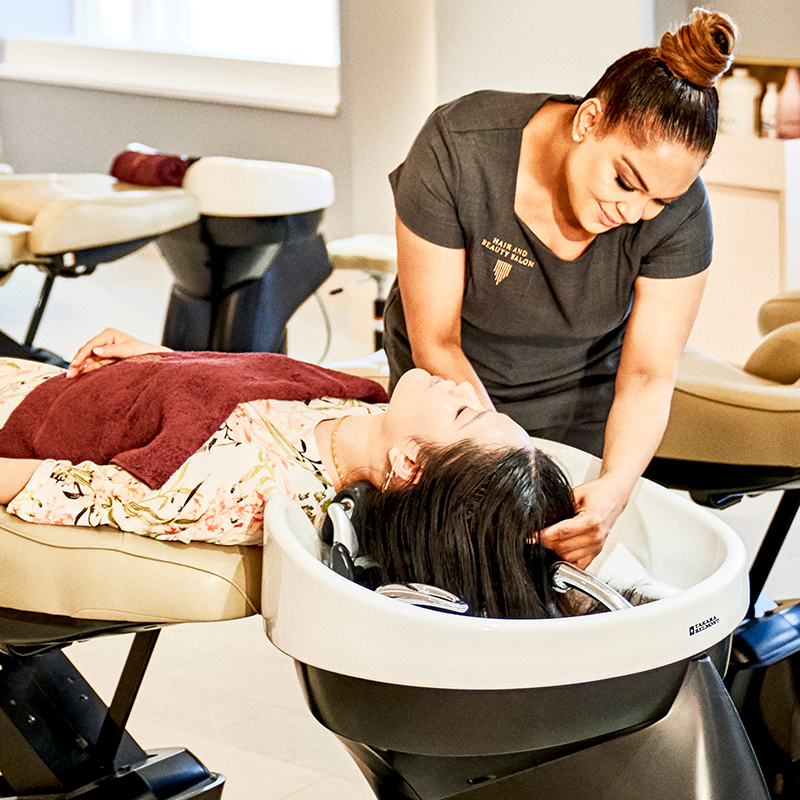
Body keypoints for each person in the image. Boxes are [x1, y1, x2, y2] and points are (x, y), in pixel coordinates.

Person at [384, 8, 737, 569]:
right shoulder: (459, 148)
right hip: (454, 403)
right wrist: (514, 465)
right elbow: (437, 342)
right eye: (626, 181)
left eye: (659, 202)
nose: (634, 213)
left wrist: (616, 487)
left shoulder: (682, 215)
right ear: (588, 119)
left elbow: (647, 375)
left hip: (580, 407)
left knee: (565, 588)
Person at [0, 329, 596, 620]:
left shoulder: (246, 485)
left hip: (17, 414)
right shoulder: (363, 407)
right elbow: (247, 383)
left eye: (464, 412)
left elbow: (60, 486)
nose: (464, 385)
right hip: (49, 379)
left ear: (409, 465)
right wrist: (162, 360)